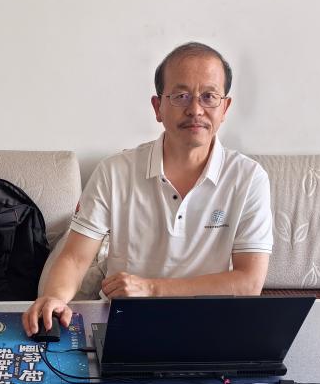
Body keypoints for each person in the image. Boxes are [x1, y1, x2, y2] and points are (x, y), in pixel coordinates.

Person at [23, 42, 273, 336]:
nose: (195, 109)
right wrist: (55, 296)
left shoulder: (249, 178)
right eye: (180, 96)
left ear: (225, 108)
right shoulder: (115, 171)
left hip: (209, 325)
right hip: (125, 322)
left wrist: (152, 289)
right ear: (158, 107)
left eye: (209, 96)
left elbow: (248, 283)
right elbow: (75, 258)